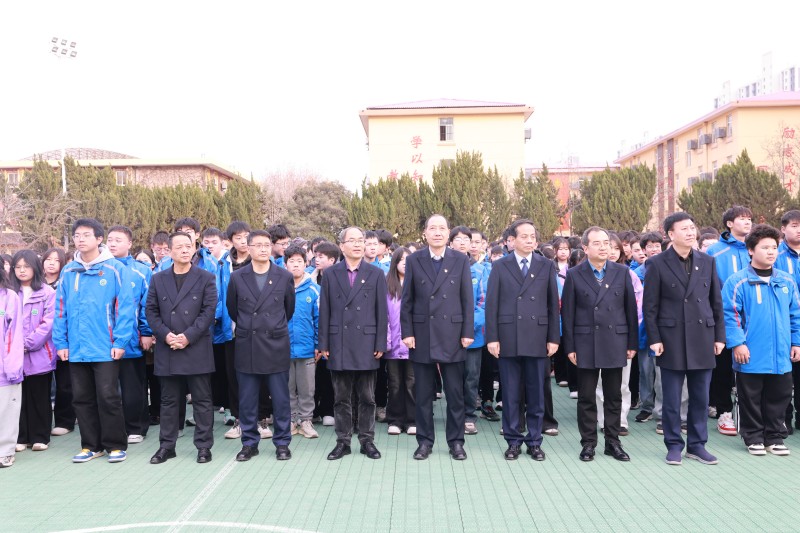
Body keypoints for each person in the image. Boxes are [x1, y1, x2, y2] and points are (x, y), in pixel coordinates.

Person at [643, 213, 725, 465]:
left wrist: (719, 336)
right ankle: (674, 444)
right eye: (684, 229)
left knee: (701, 397)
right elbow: (650, 306)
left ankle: (697, 445)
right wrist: (654, 338)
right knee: (672, 398)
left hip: (703, 336)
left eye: (692, 227)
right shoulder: (656, 263)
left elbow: (716, 302)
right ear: (671, 234)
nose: (690, 232)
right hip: (671, 338)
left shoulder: (707, 261)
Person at [53, 218, 135, 463]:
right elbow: (60, 309)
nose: (80, 239)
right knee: (81, 398)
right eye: (77, 235)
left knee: (108, 397)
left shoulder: (115, 269)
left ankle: (115, 445)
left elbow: (125, 308)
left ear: (99, 239)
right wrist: (61, 343)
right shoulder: (69, 271)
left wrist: (120, 342)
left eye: (86, 235)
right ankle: (90, 445)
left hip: (105, 346)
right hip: (77, 347)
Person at [561, 226, 638, 462]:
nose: (604, 247)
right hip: (586, 341)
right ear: (585, 248)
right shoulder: (575, 274)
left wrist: (632, 342)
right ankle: (588, 443)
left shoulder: (621, 272)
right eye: (597, 243)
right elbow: (568, 314)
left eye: (606, 243)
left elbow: (630, 310)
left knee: (614, 395)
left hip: (615, 339)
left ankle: (613, 442)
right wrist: (570, 347)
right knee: (586, 396)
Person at [485, 219, 560, 461]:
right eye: (524, 236)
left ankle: (535, 441)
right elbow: (492, 304)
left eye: (532, 237)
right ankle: (513, 440)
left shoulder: (546, 265)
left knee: (537, 393)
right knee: (511, 393)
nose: (529, 240)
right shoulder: (500, 266)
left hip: (538, 336)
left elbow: (553, 305)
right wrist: (492, 337)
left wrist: (553, 337)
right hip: (508, 336)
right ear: (512, 240)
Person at [401, 214, 474, 461]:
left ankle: (456, 442)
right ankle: (424, 442)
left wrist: (467, 332)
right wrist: (407, 332)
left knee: (455, 394)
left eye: (442, 228)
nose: (437, 232)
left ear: (448, 232)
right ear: (425, 233)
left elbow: (467, 298)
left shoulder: (460, 259)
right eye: (433, 228)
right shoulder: (414, 260)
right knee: (423, 395)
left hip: (452, 334)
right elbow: (407, 300)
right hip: (422, 334)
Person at [723, 224, 800, 456]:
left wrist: (796, 342)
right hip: (750, 353)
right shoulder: (738, 281)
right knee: (750, 397)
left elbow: (795, 314)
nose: (771, 252)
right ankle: (754, 437)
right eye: (765, 247)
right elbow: (729, 315)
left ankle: (774, 437)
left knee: (780, 396)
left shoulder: (786, 281)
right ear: (750, 250)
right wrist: (738, 343)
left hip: (781, 354)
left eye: (774, 247)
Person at [145, 231, 217, 465]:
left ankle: (204, 446)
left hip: (196, 346)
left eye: (189, 245)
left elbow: (208, 311)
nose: (185, 250)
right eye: (179, 246)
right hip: (169, 347)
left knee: (202, 400)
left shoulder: (206, 277)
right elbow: (151, 311)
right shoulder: (158, 279)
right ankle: (167, 446)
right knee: (168, 401)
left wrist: (188, 336)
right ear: (170, 251)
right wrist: (166, 335)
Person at [318, 226, 388, 461]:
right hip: (338, 341)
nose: (358, 244)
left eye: (361, 240)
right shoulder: (330, 274)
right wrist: (323, 342)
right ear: (342, 246)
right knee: (341, 397)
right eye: (353, 240)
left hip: (366, 342)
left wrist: (380, 342)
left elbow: (382, 312)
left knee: (367, 397)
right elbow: (325, 310)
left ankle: (367, 441)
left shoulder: (376, 274)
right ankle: (343, 441)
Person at [227, 230, 295, 461]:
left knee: (280, 399)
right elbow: (233, 309)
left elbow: (288, 309)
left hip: (275, 343)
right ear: (248, 248)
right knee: (247, 399)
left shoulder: (283, 276)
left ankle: (282, 442)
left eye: (267, 245)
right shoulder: (237, 277)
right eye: (258, 245)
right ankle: (249, 443)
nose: (264, 249)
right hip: (248, 343)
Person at [106, 225, 154, 445]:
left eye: (118, 240)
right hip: (103, 340)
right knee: (108, 389)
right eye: (110, 240)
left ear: (130, 244)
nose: (113, 244)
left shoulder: (141, 271)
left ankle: (136, 426)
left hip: (132, 340)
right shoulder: (101, 269)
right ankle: (113, 428)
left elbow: (147, 304)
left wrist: (146, 331)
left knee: (133, 385)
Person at [707, 205, 752, 436]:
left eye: (749, 219)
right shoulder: (715, 251)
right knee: (723, 368)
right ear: (729, 223)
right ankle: (724, 411)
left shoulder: (756, 247)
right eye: (742, 218)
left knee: (750, 369)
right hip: (724, 318)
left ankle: (750, 413)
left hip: (753, 319)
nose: (747, 222)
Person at [11, 251, 56, 453]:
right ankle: (21, 437)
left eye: (26, 266)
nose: (22, 270)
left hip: (40, 354)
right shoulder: (9, 293)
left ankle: (40, 436)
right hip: (13, 356)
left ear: (35, 268)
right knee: (17, 398)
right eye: (18, 267)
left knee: (39, 396)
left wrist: (26, 344)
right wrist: (13, 346)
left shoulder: (47, 293)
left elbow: (48, 324)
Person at [448, 226, 486, 437]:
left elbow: (483, 302)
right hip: (448, 334)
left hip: (473, 335)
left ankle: (469, 416)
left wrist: (469, 328)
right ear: (450, 242)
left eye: (466, 239)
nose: (462, 242)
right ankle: (454, 415)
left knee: (471, 377)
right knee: (452, 377)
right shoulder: (445, 267)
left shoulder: (480, 271)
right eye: (458, 239)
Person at [284, 244, 320, 440]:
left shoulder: (314, 289)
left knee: (307, 388)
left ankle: (306, 420)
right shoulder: (280, 287)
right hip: (283, 348)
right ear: (285, 264)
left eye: (300, 261)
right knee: (287, 387)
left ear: (306, 263)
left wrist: (318, 344)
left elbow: (319, 319)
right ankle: (290, 420)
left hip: (307, 348)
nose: (296, 265)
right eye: (292, 261)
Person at [42, 247, 73, 437]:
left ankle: (65, 420)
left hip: (61, 338)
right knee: (42, 384)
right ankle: (42, 422)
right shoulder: (36, 284)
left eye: (56, 260)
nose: (51, 263)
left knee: (64, 383)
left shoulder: (66, 282)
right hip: (40, 342)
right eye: (48, 259)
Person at [385, 247, 416, 435]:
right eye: (401, 259)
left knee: (412, 382)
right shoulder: (386, 284)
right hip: (392, 344)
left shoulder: (418, 283)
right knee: (394, 383)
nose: (405, 262)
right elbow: (383, 315)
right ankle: (395, 420)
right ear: (394, 262)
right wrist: (387, 340)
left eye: (408, 259)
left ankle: (413, 420)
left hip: (413, 344)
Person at [774, 210, 800, 433]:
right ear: (783, 229)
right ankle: (783, 417)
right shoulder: (776, 255)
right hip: (784, 321)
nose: (799, 230)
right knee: (785, 373)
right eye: (794, 225)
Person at [0, 258, 23, 468]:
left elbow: (14, 334)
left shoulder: (9, 297)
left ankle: (5, 451)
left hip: (5, 368)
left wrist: (12, 366)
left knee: (7, 411)